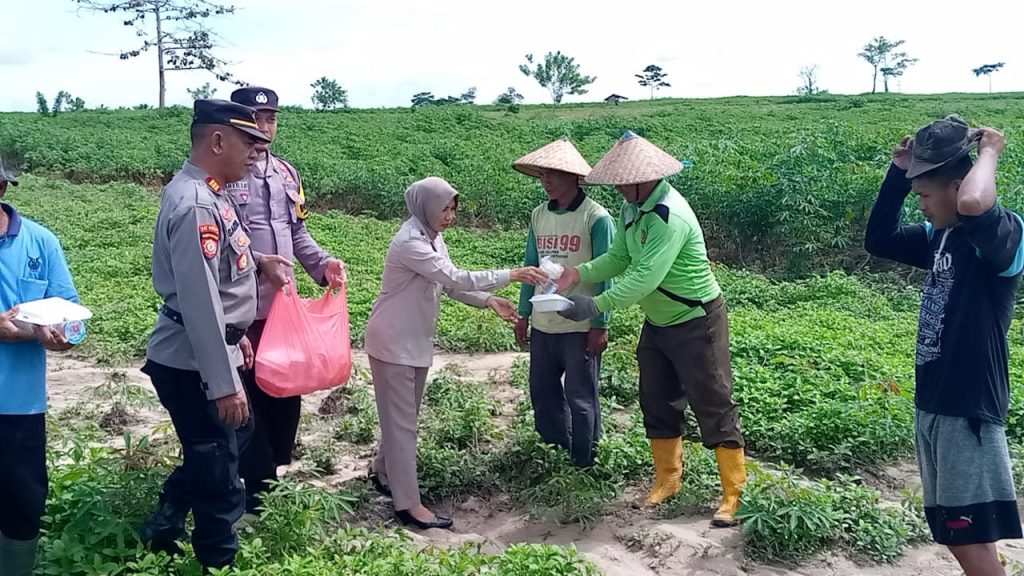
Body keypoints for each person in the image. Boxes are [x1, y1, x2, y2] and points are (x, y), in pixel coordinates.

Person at [554, 131, 747, 527]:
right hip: (658, 322)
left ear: (647, 179)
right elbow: (619, 257)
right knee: (657, 399)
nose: (619, 189)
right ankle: (668, 480)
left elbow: (644, 278)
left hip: (696, 320)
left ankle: (734, 494)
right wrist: (578, 273)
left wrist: (594, 304)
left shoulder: (668, 216)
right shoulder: (632, 210)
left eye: (625, 182)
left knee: (713, 399)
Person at [865, 115, 1023, 576]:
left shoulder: (1002, 237)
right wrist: (899, 173)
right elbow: (879, 240)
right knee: (955, 532)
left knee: (967, 536)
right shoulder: (941, 236)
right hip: (934, 403)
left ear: (957, 186)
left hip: (968, 409)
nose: (921, 207)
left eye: (925, 196)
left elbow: (974, 203)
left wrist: (989, 151)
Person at [137, 99, 283, 572]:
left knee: (232, 441)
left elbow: (221, 277)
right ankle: (217, 561)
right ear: (218, 141)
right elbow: (200, 301)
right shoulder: (196, 202)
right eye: (248, 142)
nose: (256, 152)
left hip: (209, 348)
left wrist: (236, 334)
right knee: (220, 473)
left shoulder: (210, 192)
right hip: (190, 361)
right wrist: (222, 383)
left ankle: (166, 519)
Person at [364, 176, 547, 530]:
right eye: (443, 209)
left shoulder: (433, 237)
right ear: (425, 207)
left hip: (412, 341)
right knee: (402, 425)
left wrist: (488, 300)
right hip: (393, 343)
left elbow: (448, 286)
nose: (449, 216)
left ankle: (383, 470)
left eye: (452, 209)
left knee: (403, 417)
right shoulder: (410, 242)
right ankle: (408, 505)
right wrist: (510, 275)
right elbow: (455, 276)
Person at [228, 86, 347, 513]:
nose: (264, 127)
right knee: (248, 400)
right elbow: (222, 240)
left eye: (271, 118)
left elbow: (297, 234)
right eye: (255, 118)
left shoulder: (286, 174)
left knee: (284, 395)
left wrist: (323, 264)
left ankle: (272, 470)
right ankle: (254, 490)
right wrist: (259, 263)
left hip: (283, 308)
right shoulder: (225, 174)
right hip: (241, 309)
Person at [0, 157, 81, 575]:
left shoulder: (40, 242)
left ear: (2, 189)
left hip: (19, 405)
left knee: (23, 503)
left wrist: (61, 333)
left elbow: (72, 316)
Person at [512, 138, 614, 468]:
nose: (547, 181)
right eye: (542, 175)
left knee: (581, 397)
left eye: (553, 174)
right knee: (543, 393)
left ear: (573, 175)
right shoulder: (538, 215)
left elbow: (607, 273)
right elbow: (530, 266)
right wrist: (524, 313)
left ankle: (584, 461)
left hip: (579, 324)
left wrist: (600, 324)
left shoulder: (596, 218)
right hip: (544, 323)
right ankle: (555, 454)